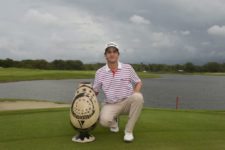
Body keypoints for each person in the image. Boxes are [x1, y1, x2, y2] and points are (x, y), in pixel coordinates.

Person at [93, 42, 144, 142]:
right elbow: (95, 91)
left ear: (118, 54)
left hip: (126, 102)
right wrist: (85, 96)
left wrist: (135, 93)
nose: (112, 54)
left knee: (138, 97)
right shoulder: (100, 72)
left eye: (114, 52)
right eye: (109, 52)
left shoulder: (127, 68)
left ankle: (128, 131)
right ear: (105, 55)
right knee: (103, 121)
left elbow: (138, 82)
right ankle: (114, 121)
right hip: (111, 104)